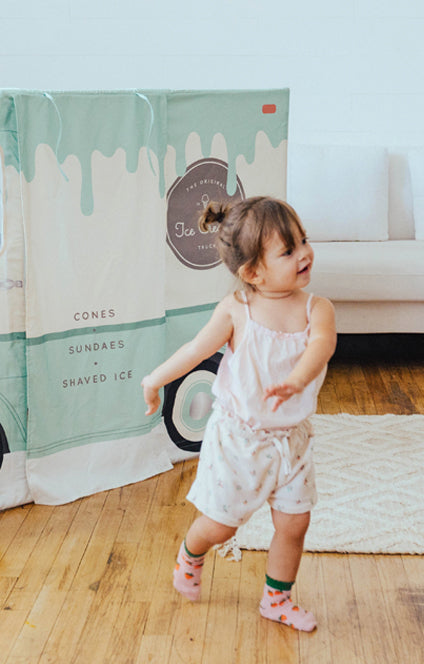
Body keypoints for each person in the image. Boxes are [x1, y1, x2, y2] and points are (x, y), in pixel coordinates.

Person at [142, 196, 336, 632]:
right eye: (288, 250)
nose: (304, 253)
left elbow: (322, 345)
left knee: (294, 523)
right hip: (238, 441)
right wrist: (154, 380)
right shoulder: (237, 310)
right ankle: (191, 553)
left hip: (291, 441)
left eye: (303, 240)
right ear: (252, 273)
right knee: (222, 526)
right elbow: (195, 350)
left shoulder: (316, 308)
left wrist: (298, 379)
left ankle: (276, 599)